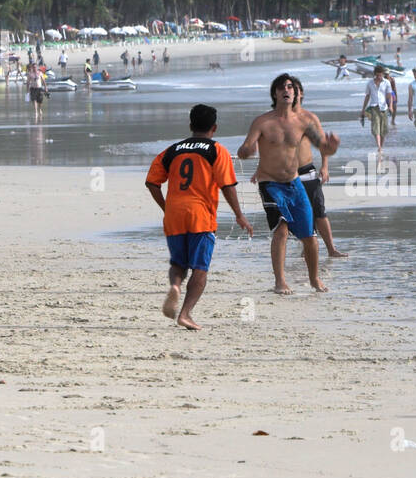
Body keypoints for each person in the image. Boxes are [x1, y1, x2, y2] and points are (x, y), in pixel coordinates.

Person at [146, 103, 253, 330]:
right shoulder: (217, 150)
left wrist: (167, 207)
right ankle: (185, 313)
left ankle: (175, 285)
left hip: (174, 214)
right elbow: (227, 186)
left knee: (178, 263)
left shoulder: (172, 150)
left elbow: (152, 182)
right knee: (200, 269)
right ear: (213, 128)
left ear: (190, 125)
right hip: (201, 216)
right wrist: (239, 215)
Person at [238, 74, 340, 294]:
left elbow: (322, 146)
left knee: (309, 236)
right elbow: (244, 149)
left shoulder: (304, 121)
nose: (287, 89)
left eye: (291, 87)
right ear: (275, 93)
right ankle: (280, 281)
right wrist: (247, 151)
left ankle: (314, 279)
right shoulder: (263, 121)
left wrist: (332, 147)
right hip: (270, 183)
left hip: (294, 183)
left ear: (296, 93)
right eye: (282, 87)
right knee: (282, 229)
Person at [292, 78, 347, 258]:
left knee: (319, 212)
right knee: (298, 212)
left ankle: (331, 249)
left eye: (296, 90)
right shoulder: (278, 119)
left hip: (308, 171)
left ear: (301, 94)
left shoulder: (310, 118)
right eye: (290, 89)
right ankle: (306, 246)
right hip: (288, 174)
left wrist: (325, 166)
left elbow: (323, 144)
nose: (293, 93)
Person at [360, 64, 391, 153]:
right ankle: (379, 146)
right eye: (377, 75)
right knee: (375, 127)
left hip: (384, 107)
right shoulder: (370, 83)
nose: (379, 77)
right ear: (375, 74)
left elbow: (389, 95)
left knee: (384, 129)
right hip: (374, 107)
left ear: (383, 74)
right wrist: (363, 109)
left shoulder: (386, 82)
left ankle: (381, 145)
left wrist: (391, 106)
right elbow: (367, 96)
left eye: (380, 75)